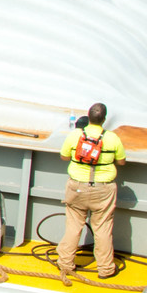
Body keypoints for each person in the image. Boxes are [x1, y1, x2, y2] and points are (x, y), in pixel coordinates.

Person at [58, 102, 125, 278]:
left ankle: (65, 264)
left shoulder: (75, 135)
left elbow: (64, 156)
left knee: (73, 226)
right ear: (104, 119)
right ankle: (105, 269)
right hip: (103, 189)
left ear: (88, 117)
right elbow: (122, 161)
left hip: (77, 187)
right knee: (102, 228)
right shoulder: (112, 138)